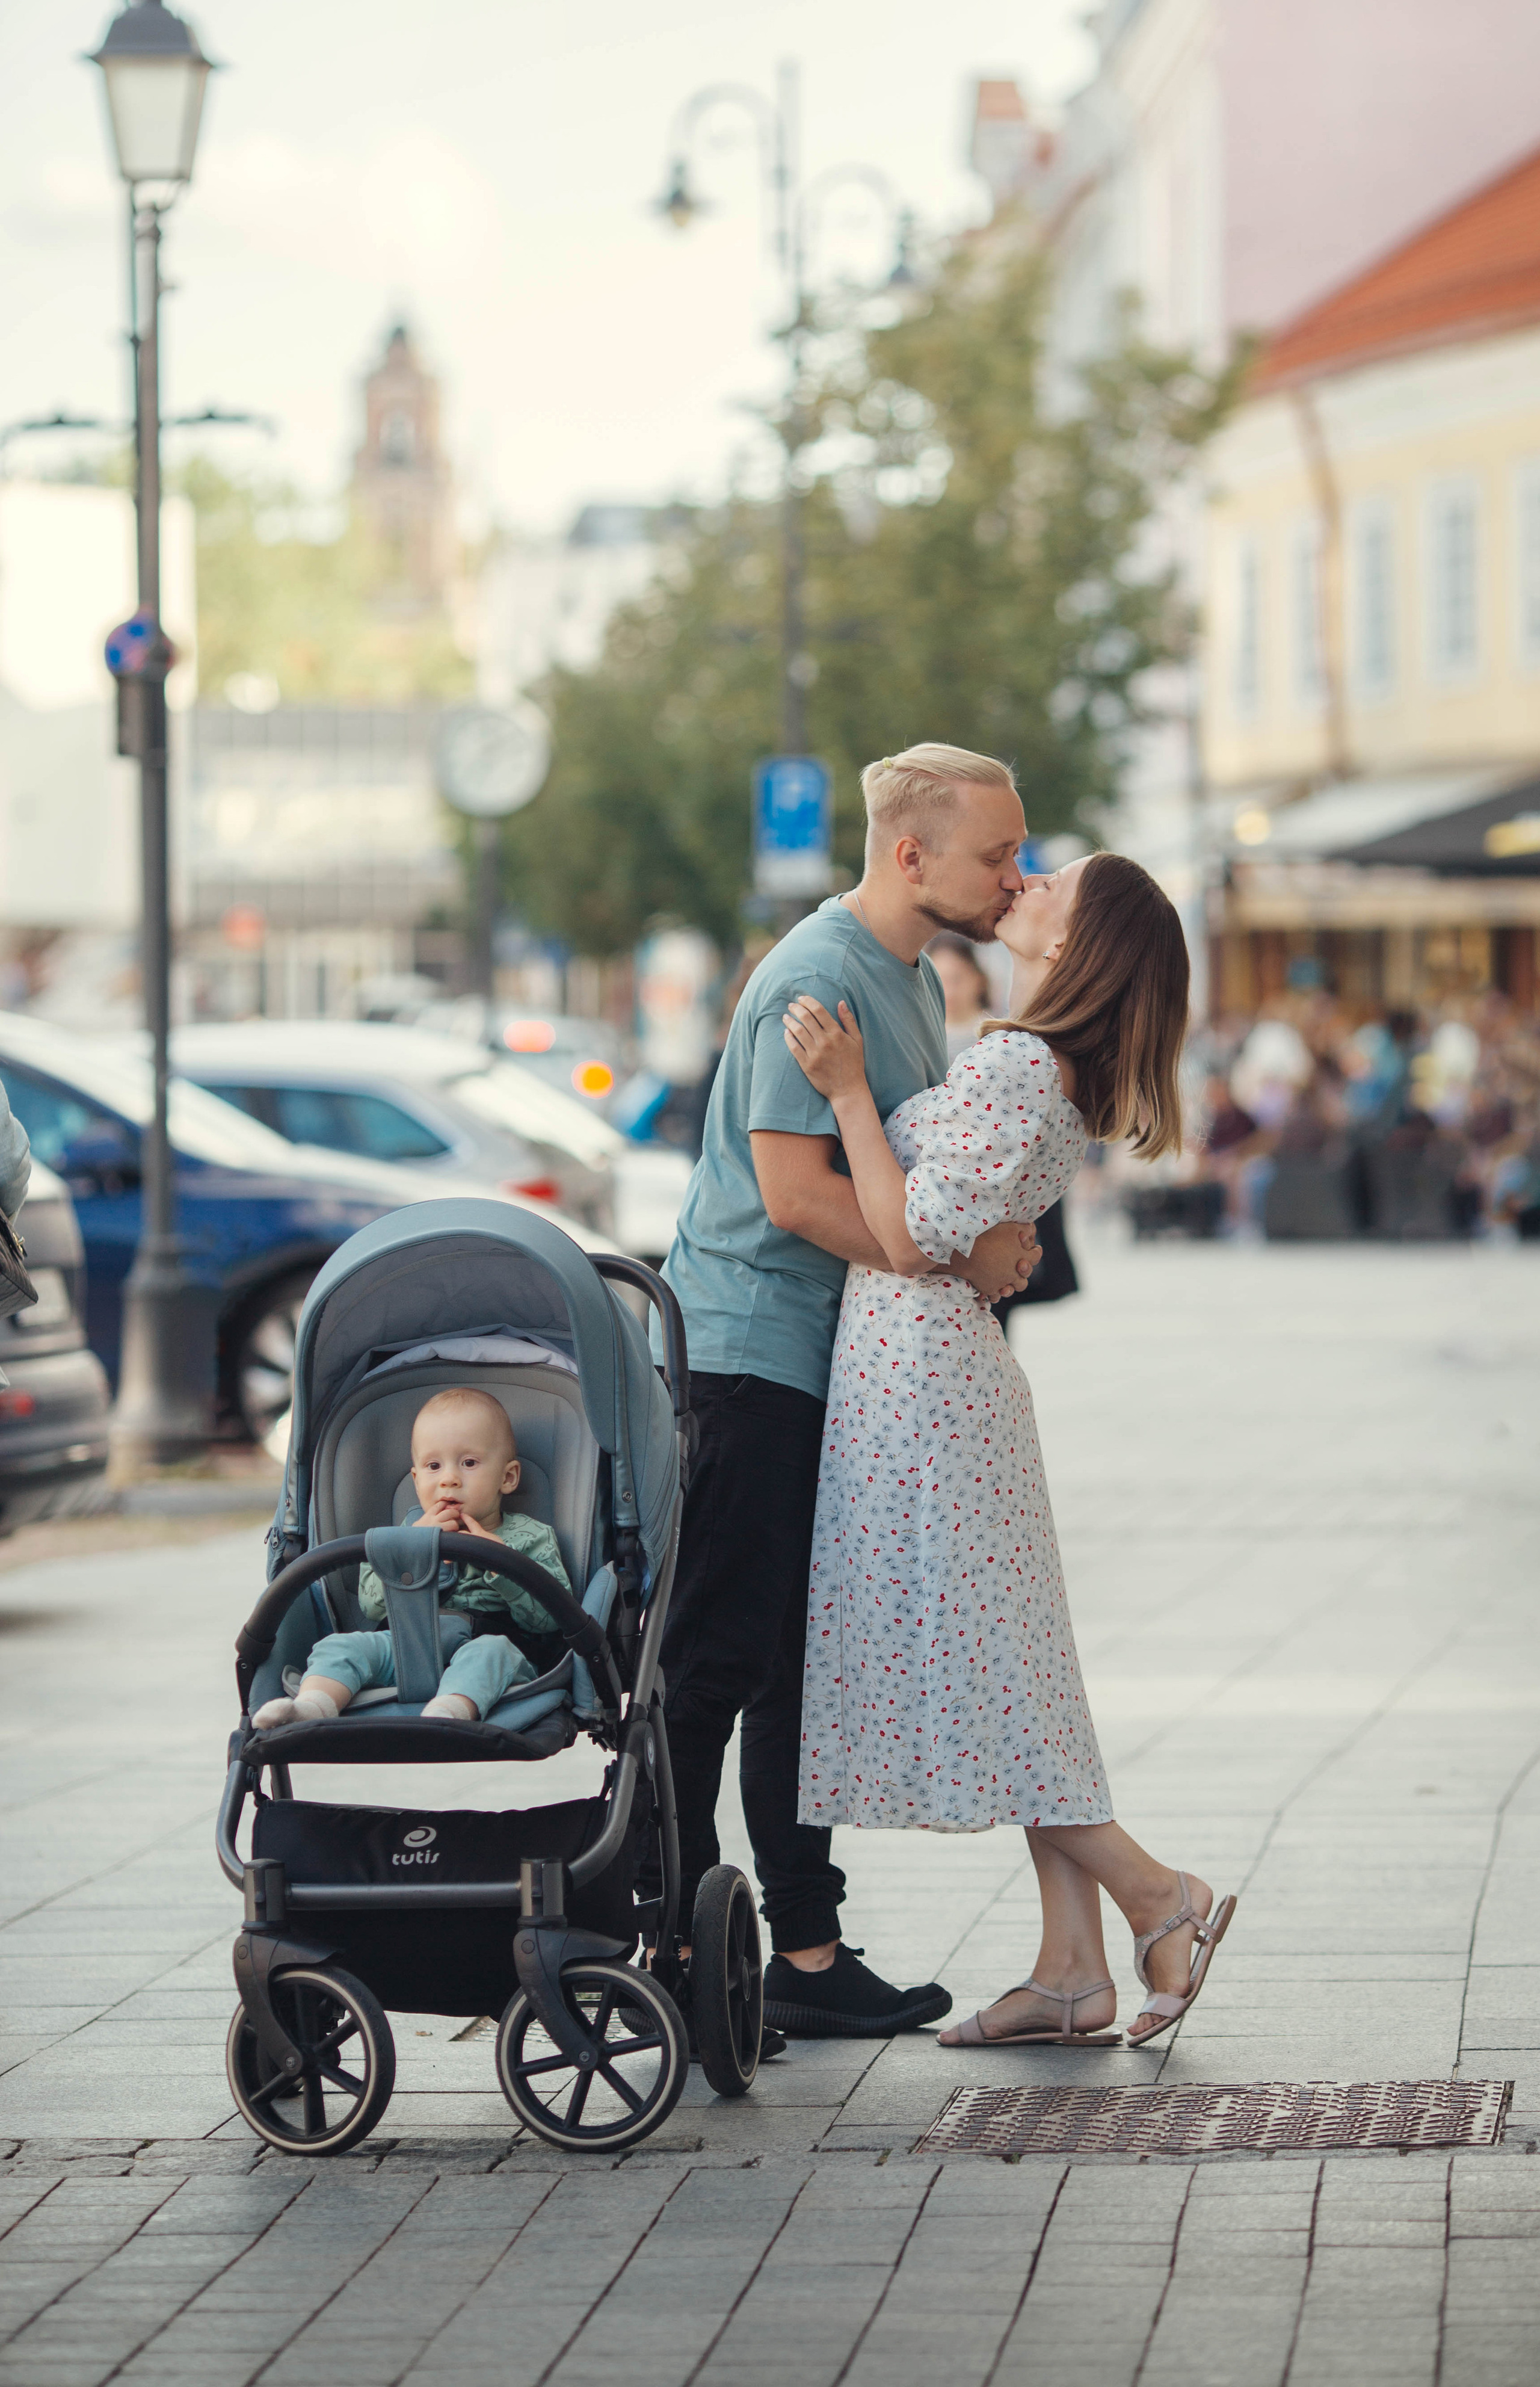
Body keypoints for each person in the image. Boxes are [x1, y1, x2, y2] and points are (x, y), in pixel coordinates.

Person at [783, 851, 1237, 2047]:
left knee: (983, 1679)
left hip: (923, 1392)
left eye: (1050, 881)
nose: (1023, 879)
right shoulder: (1038, 1062)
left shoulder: (1020, 1063)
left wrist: (840, 1097)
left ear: (1072, 944)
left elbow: (907, 1228)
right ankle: (1071, 1968)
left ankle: (1154, 1897)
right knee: (1015, 1674)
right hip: (945, 1381)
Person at [648, 744, 1043, 2039]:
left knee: (795, 1672)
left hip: (829, 1366)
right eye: (996, 853)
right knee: (710, 1667)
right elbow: (793, 1193)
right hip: (746, 1355)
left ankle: (805, 1959)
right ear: (910, 853)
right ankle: (658, 1945)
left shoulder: (913, 979)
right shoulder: (814, 979)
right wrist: (956, 1253)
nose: (1015, 874)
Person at [253, 1388, 568, 1726]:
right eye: (434, 1466)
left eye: (470, 1463)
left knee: (493, 1654)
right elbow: (372, 1605)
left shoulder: (531, 1537)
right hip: (405, 1648)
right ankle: (313, 1706)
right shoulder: (406, 1531)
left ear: (507, 1478)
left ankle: (450, 1712)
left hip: (488, 1645)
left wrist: (503, 1564)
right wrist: (412, 1549)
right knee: (342, 1646)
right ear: (416, 1479)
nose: (449, 1479)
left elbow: (553, 1618)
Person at [927, 930, 1079, 1317]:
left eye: (957, 978)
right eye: (939, 978)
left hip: (996, 1189)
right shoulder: (919, 1034)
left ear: (977, 978)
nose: (949, 990)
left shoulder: (999, 1041)